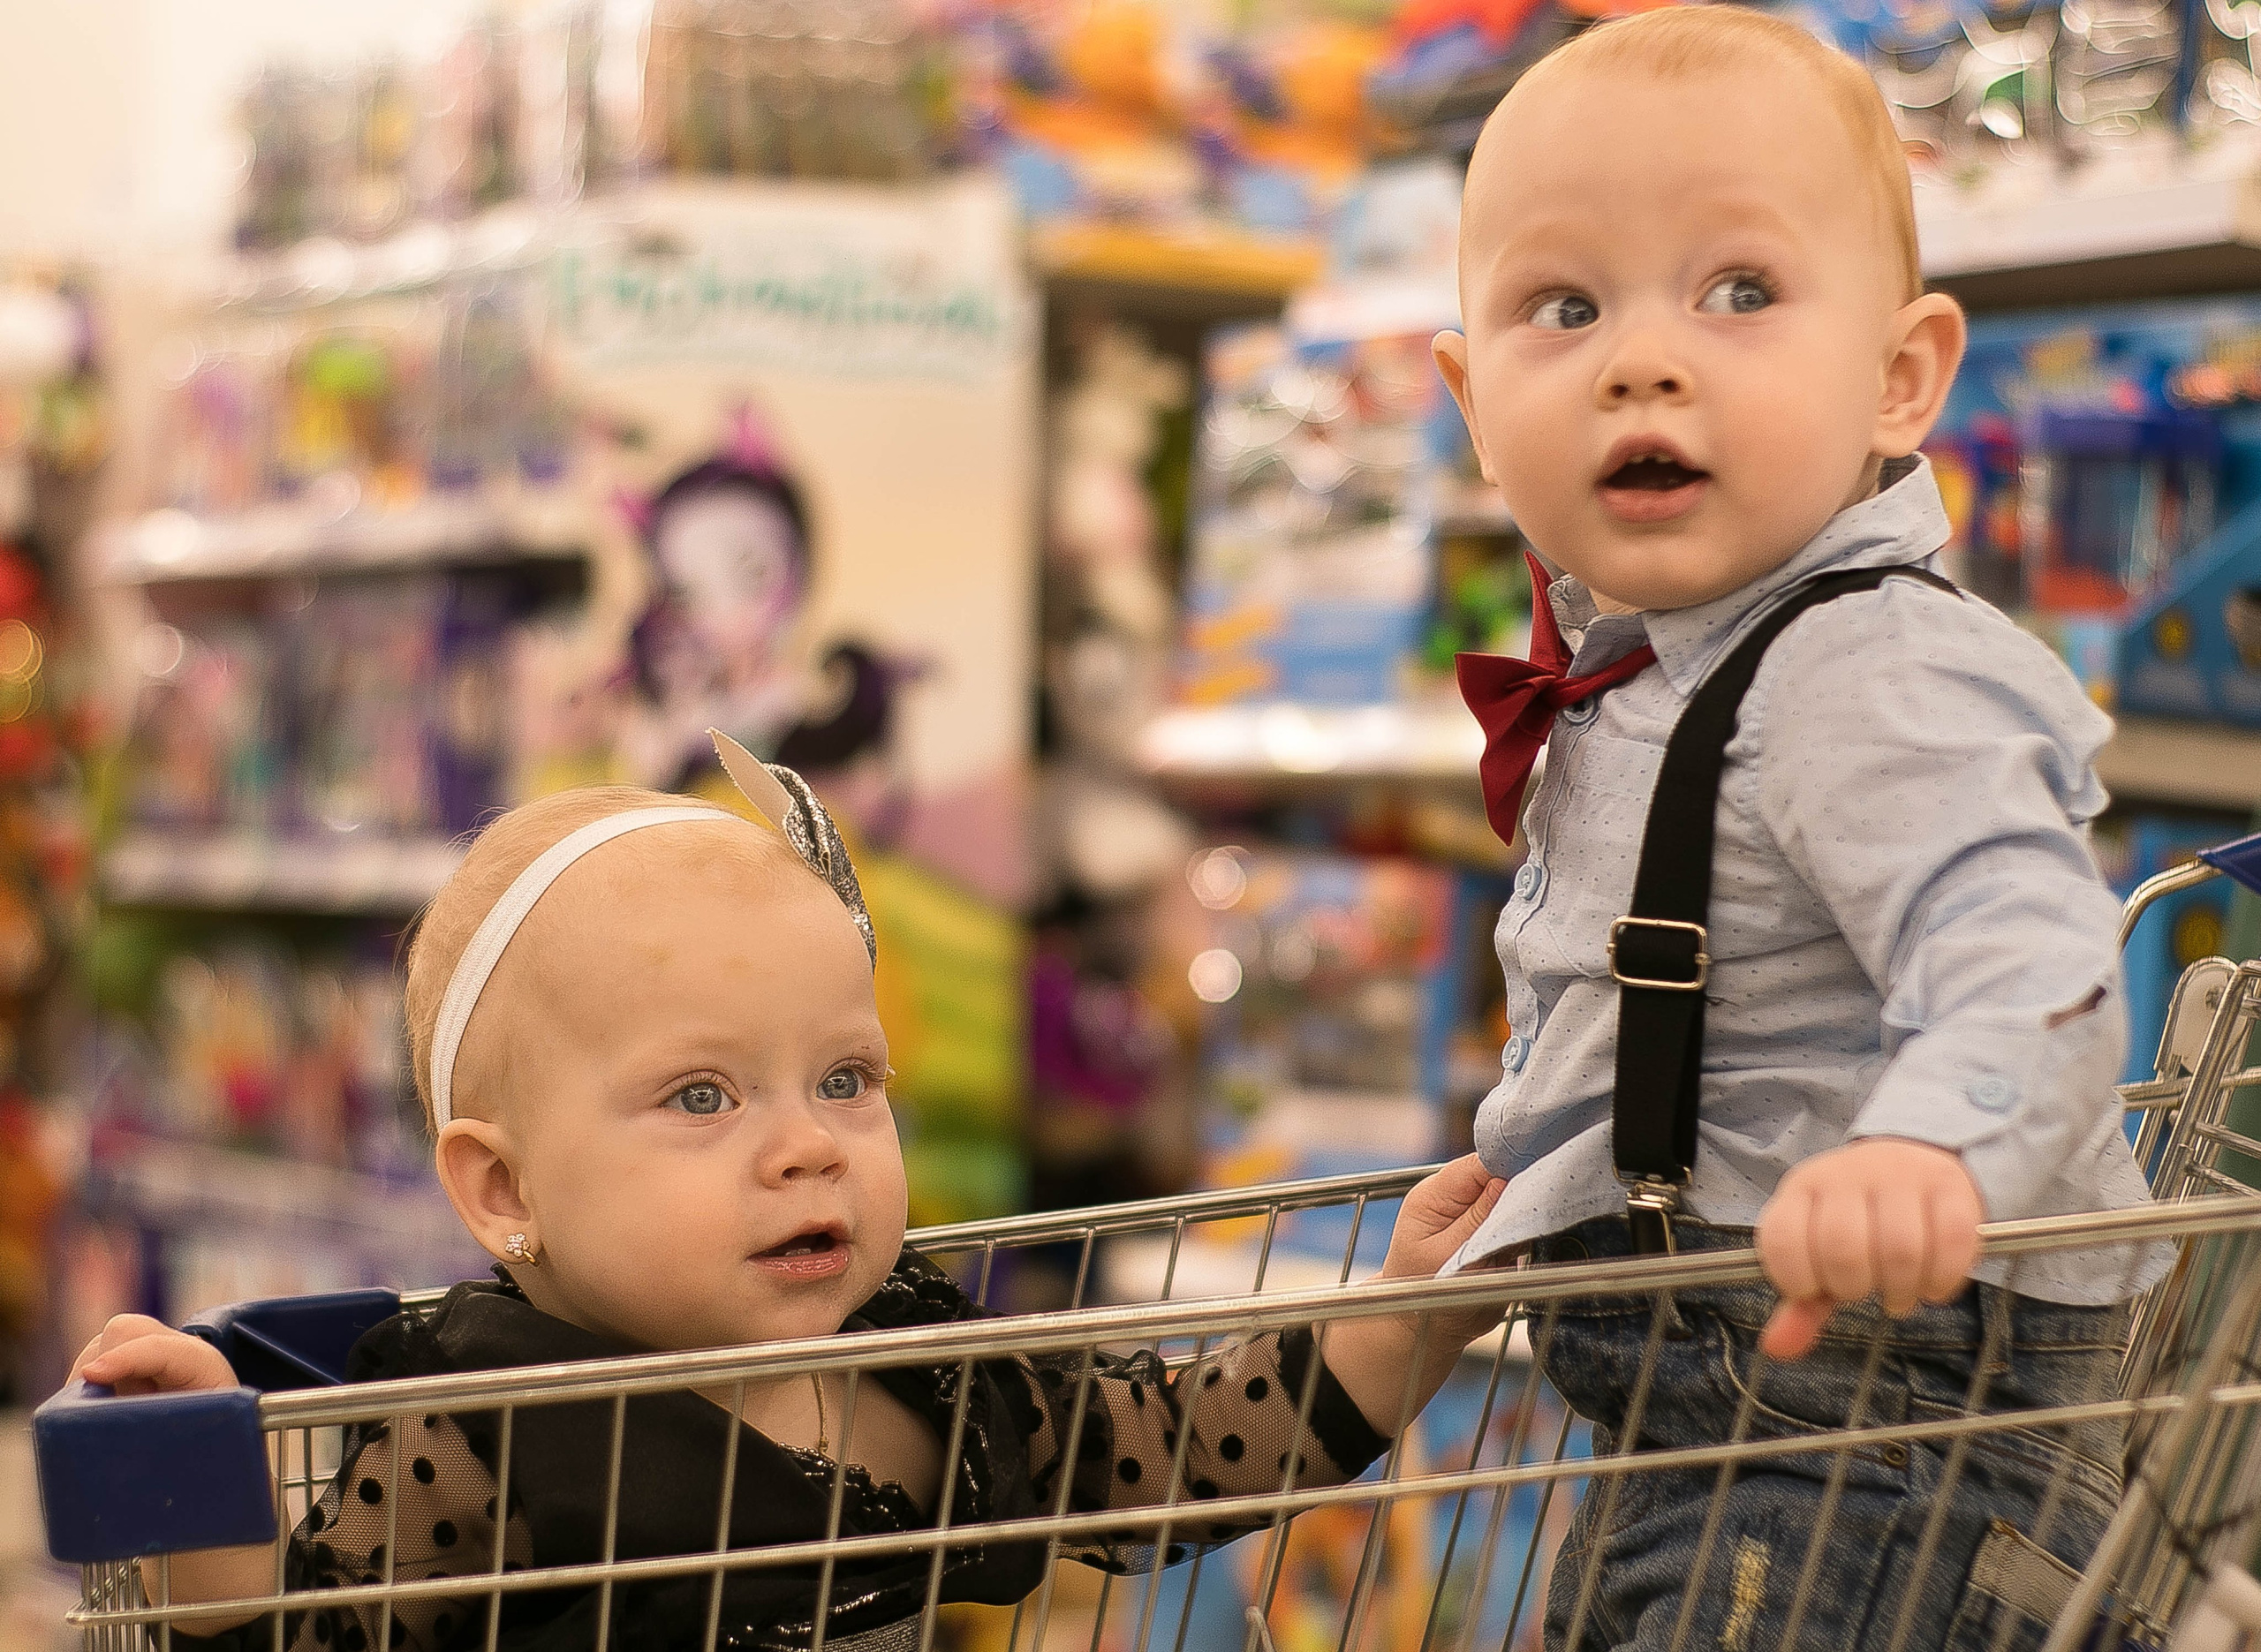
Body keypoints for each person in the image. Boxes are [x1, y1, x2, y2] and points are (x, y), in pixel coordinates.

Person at [70, 736, 1509, 1652]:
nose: (809, 1147)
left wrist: (1402, 1322)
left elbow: (1173, 1450)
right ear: (503, 1188)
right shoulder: (498, 1425)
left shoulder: (914, 1362)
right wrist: (208, 1490)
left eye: (847, 1081)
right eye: (703, 1099)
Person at [1429, 11, 2158, 1648]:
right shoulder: (1649, 673)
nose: (1643, 357)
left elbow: (2027, 950)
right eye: (1566, 306)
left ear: (1900, 379)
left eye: (1740, 293)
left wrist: (1932, 1144)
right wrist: (1525, 1170)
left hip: (1886, 1409)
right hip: (1710, 1401)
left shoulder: (1867, 666)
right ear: (1474, 404)